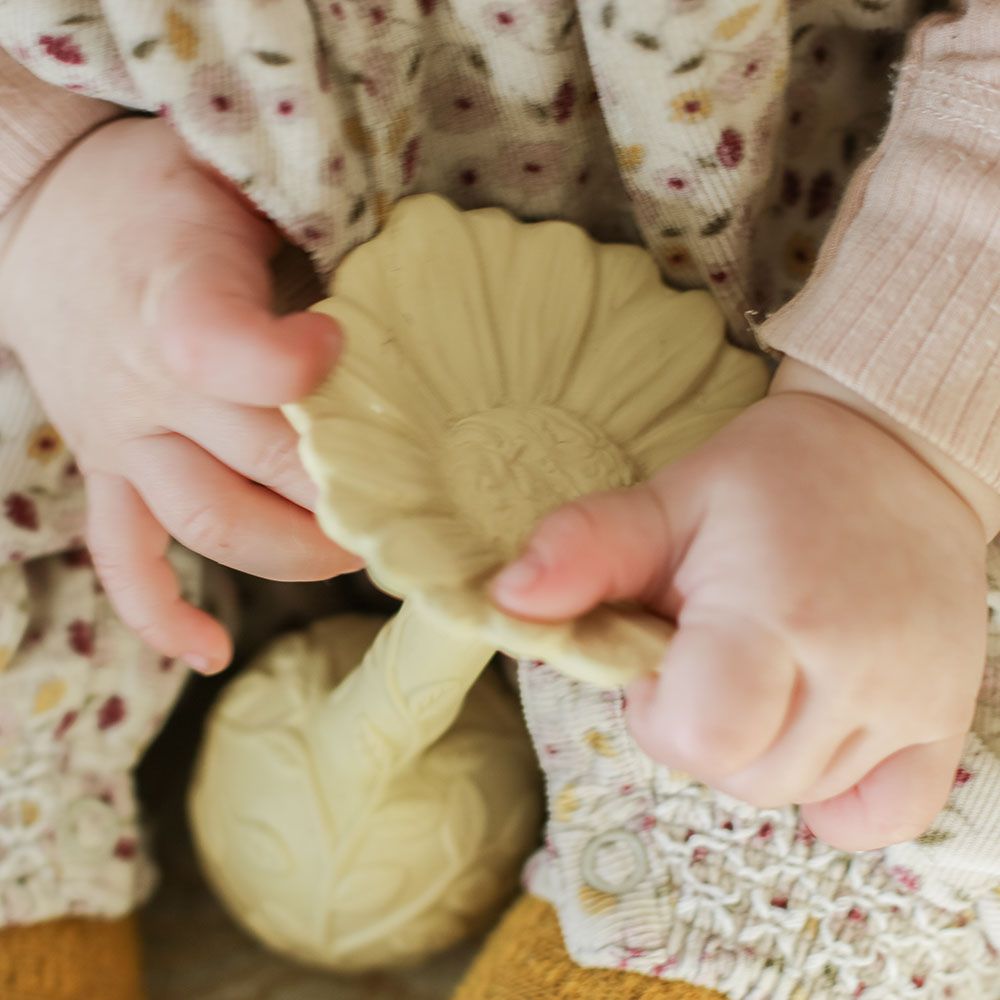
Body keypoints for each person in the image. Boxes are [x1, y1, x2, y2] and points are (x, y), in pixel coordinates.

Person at [0, 1, 997, 996]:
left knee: (825, 730)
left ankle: (696, 912)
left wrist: (899, 423)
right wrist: (40, 182)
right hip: (148, 270)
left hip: (827, 341)